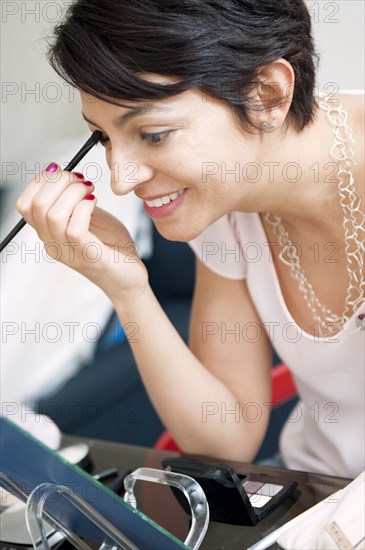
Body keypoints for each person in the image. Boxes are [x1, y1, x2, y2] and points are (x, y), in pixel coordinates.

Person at [16, 0, 364, 479]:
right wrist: (129, 290)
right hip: (313, 495)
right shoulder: (225, 205)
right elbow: (227, 437)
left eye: (154, 135)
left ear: (267, 94)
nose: (121, 179)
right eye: (104, 139)